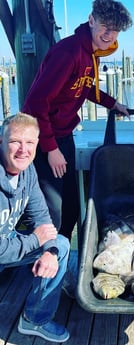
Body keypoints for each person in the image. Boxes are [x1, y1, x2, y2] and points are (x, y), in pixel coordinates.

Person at [22, 0, 133, 241]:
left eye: (114, 30)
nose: (108, 34)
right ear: (92, 20)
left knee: (71, 208)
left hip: (63, 136)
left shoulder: (91, 55)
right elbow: (36, 102)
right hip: (43, 140)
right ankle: (40, 268)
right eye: (105, 26)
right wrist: (50, 149)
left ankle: (57, 260)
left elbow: (86, 88)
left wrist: (113, 104)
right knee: (52, 212)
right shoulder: (69, 52)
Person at [0, 113, 70, 342]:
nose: (23, 150)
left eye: (29, 143)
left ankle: (34, 319)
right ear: (1, 141)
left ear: (37, 144)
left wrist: (49, 250)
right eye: (15, 142)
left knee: (61, 246)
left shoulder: (27, 170)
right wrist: (34, 241)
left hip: (6, 239)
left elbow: (40, 214)